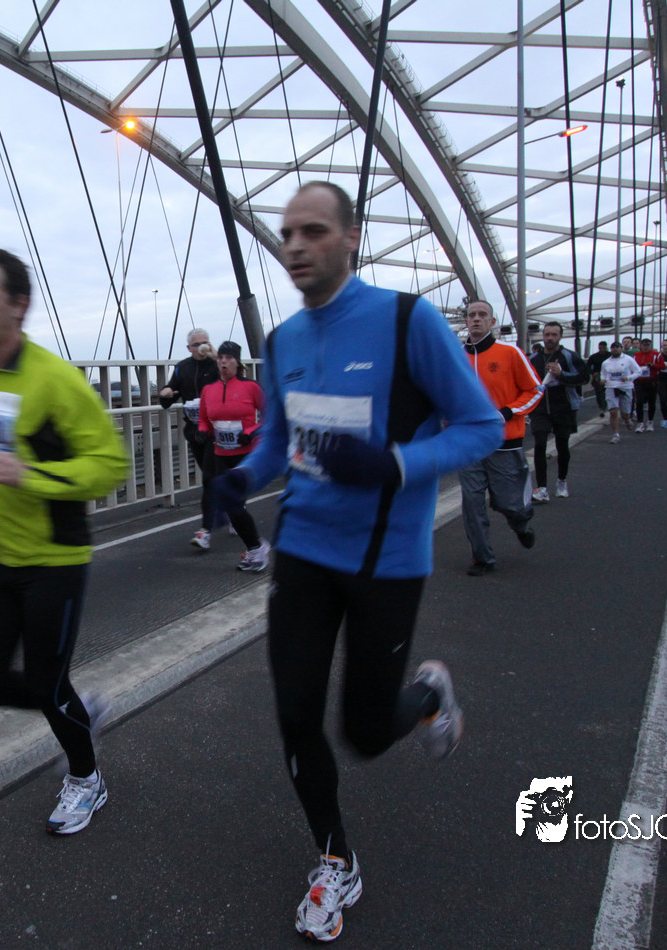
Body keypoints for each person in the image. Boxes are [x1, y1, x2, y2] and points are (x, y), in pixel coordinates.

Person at [209, 181, 501, 942]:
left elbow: (481, 426)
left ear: (350, 238)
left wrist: (394, 464)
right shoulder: (283, 342)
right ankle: (335, 857)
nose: (295, 246)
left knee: (366, 733)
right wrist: (243, 477)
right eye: (286, 234)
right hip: (304, 552)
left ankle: (429, 695)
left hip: (386, 560)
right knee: (295, 714)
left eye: (313, 230)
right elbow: (280, 441)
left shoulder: (408, 321)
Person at [0, 248, 128, 835]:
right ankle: (79, 707)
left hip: (53, 562)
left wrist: (31, 475)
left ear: (18, 305)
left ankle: (86, 779)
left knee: (46, 684)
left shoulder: (56, 380)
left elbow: (110, 465)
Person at [459, 299, 542, 576]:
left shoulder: (510, 353)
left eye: (482, 314)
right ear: (466, 321)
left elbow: (535, 390)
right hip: (469, 444)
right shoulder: (455, 358)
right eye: (471, 315)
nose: (476, 319)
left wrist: (507, 412)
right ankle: (482, 558)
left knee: (510, 504)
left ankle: (521, 523)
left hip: (504, 443)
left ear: (492, 322)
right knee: (472, 504)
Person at [197, 340, 272, 571]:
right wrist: (202, 431)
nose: (223, 362)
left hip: (247, 455)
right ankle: (255, 548)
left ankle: (257, 549)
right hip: (221, 453)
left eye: (228, 358)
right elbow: (203, 418)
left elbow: (271, 417)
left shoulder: (251, 387)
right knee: (230, 504)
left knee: (234, 504)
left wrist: (251, 432)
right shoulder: (209, 390)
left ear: (237, 362)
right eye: (220, 358)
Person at [159, 328, 220, 548]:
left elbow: (236, 379)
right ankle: (234, 507)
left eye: (206, 342)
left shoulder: (217, 364)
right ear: (189, 348)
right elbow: (169, 396)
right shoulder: (182, 367)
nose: (202, 347)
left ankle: (205, 531)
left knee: (209, 479)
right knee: (214, 477)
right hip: (195, 430)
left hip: (218, 429)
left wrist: (216, 356)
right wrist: (165, 392)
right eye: (197, 344)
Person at [528, 322, 589, 501]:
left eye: (554, 335)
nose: (550, 338)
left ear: (560, 336)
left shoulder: (569, 356)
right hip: (540, 408)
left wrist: (561, 375)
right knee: (540, 444)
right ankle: (542, 488)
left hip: (564, 407)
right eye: (547, 334)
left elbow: (584, 378)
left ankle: (562, 481)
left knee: (562, 446)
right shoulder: (534, 358)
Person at [600, 340, 642, 443]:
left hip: (625, 387)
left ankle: (627, 419)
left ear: (621, 348)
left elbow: (638, 371)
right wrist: (603, 379)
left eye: (617, 347)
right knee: (613, 412)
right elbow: (603, 374)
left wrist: (628, 377)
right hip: (611, 387)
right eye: (613, 347)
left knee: (625, 414)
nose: (615, 349)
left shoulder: (629, 360)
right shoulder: (606, 362)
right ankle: (615, 434)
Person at [631, 337, 664, 432]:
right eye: (644, 345)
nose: (646, 347)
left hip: (652, 381)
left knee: (651, 402)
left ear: (650, 346)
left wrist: (653, 365)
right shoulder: (636, 355)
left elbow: (662, 366)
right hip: (639, 381)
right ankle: (640, 423)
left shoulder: (657, 355)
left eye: (648, 345)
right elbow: (631, 366)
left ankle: (650, 421)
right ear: (641, 346)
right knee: (639, 402)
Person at [586, 341, 611, 418]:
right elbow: (587, 366)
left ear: (606, 347)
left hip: (608, 376)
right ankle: (601, 407)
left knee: (606, 393)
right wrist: (593, 373)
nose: (602, 349)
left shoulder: (610, 356)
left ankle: (605, 407)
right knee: (599, 393)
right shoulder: (594, 357)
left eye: (604, 348)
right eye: (601, 348)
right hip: (597, 377)